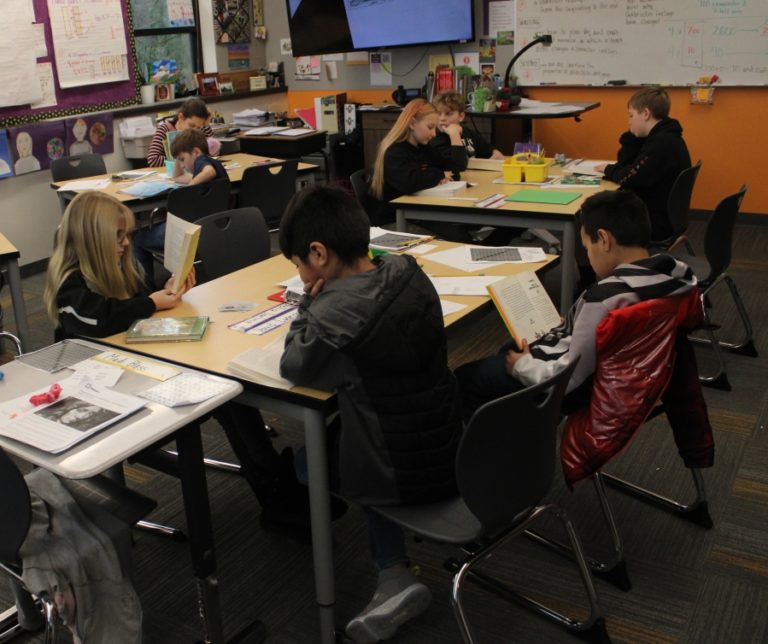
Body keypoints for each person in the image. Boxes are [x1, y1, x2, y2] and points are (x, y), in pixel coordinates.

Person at [44, 191, 323, 536]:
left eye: (127, 235)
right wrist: (149, 304)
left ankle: (273, 487)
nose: (126, 244)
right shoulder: (70, 285)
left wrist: (166, 292)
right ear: (92, 239)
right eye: (118, 237)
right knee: (226, 395)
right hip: (103, 393)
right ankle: (273, 488)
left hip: (135, 368)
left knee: (230, 393)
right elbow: (98, 320)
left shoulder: (116, 270)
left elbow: (132, 306)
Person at [278, 186, 463, 643]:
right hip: (447, 440)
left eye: (299, 265)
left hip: (398, 469)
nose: (300, 275)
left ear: (318, 254)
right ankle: (392, 560)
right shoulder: (406, 269)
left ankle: (393, 575)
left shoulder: (334, 313)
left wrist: (308, 303)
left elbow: (293, 363)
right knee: (355, 413)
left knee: (306, 463)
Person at [455, 190, 697, 421]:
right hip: (631, 379)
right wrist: (574, 323)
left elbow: (570, 378)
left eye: (587, 248)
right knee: (511, 347)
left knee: (466, 377)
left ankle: (492, 450)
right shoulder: (671, 276)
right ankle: (524, 423)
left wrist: (523, 367)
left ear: (603, 239)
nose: (589, 257)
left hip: (578, 388)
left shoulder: (605, 297)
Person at [595, 87, 691, 243]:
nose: (629, 121)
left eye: (631, 115)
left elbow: (627, 178)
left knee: (591, 216)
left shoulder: (661, 145)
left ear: (646, 113)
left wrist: (608, 169)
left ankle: (596, 267)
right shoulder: (665, 136)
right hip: (665, 216)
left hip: (653, 222)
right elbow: (628, 165)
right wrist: (632, 137)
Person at [368, 98, 455, 228]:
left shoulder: (423, 147)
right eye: (430, 127)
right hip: (394, 222)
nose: (434, 134)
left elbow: (452, 166)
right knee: (455, 236)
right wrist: (439, 175)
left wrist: (456, 137)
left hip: (417, 214)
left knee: (456, 232)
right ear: (413, 124)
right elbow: (410, 182)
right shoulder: (394, 152)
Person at [430, 90, 504, 176]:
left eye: (448, 114)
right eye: (438, 114)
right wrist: (454, 135)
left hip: (473, 179)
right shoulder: (434, 139)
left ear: (461, 116)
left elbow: (487, 148)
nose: (442, 118)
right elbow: (458, 166)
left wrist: (495, 152)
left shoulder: (468, 132)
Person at [145, 97, 214, 168]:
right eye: (191, 125)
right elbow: (152, 160)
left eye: (199, 127)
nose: (195, 130)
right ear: (181, 117)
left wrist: (206, 125)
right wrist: (184, 160)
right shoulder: (165, 129)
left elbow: (213, 153)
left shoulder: (199, 129)